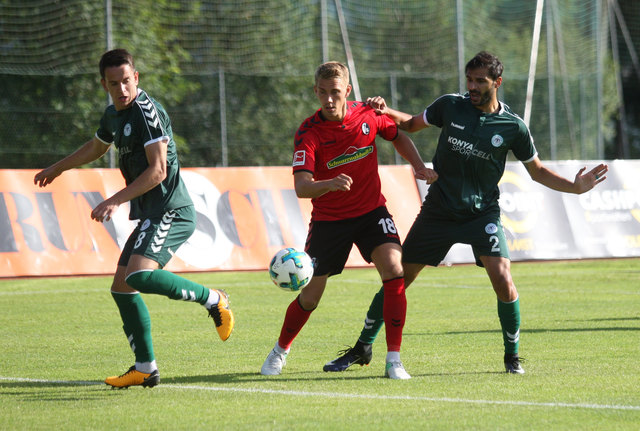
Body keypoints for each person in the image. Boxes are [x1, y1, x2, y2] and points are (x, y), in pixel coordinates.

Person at [324, 51, 608, 375]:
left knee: (503, 279)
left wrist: (575, 186)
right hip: (439, 210)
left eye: (480, 81)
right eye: (469, 79)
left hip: (482, 214)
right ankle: (362, 347)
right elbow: (411, 125)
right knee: (398, 279)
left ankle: (512, 356)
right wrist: (384, 109)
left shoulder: (513, 127)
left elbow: (538, 171)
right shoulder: (450, 105)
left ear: (497, 83)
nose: (471, 86)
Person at [33, 49, 235, 388]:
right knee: (122, 287)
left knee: (140, 276)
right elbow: (97, 146)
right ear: (105, 85)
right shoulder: (113, 113)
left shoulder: (147, 112)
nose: (122, 89)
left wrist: (114, 200)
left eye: (127, 81)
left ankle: (214, 299)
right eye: (114, 84)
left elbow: (158, 170)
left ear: (136, 78)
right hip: (150, 213)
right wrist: (58, 167)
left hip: (171, 209)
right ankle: (145, 367)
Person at [259, 61, 438, 379]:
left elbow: (397, 135)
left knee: (395, 271)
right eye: (323, 93)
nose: (329, 100)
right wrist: (328, 184)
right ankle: (279, 352)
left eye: (335, 92)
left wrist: (417, 166)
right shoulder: (309, 132)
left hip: (372, 212)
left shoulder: (368, 114)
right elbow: (302, 187)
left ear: (348, 91)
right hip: (330, 220)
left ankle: (394, 359)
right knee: (310, 296)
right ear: (315, 91)